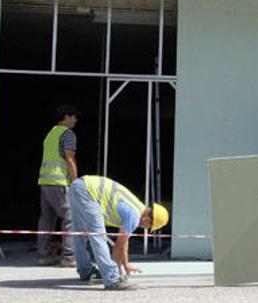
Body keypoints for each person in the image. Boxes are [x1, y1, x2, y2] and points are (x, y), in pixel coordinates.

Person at [68, 175, 169, 290]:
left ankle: (85, 271)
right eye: (148, 227)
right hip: (89, 192)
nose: (145, 228)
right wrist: (117, 273)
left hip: (78, 186)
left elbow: (124, 241)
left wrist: (126, 264)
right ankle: (112, 280)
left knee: (80, 235)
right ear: (147, 220)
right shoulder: (134, 216)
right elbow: (118, 246)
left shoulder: (138, 208)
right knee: (99, 237)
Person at [36, 104, 81, 267]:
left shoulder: (51, 134)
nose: (76, 120)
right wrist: (75, 183)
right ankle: (69, 256)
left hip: (45, 181)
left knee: (46, 219)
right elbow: (70, 159)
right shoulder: (68, 134)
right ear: (67, 117)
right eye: (74, 116)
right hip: (58, 182)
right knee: (69, 217)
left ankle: (43, 255)